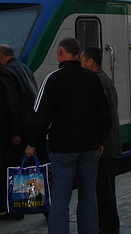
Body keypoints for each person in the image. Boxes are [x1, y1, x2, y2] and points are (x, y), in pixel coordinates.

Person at [26, 38, 111, 234]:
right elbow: (105, 114)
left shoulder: (53, 79)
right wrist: (99, 141)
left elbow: (39, 116)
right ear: (77, 54)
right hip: (89, 147)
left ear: (61, 53)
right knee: (89, 199)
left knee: (60, 201)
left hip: (62, 149)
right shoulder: (92, 79)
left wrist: (32, 143)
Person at [0, 44, 40, 220]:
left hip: (17, 131)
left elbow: (10, 105)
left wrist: (13, 133)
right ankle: (38, 205)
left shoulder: (5, 73)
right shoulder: (24, 69)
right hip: (30, 127)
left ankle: (14, 209)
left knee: (12, 170)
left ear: (0, 55)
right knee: (31, 168)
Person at [80, 47, 121, 234]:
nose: (80, 64)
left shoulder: (96, 81)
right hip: (112, 144)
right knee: (108, 191)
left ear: (90, 62)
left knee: (103, 193)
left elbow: (99, 115)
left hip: (104, 147)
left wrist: (98, 141)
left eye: (82, 60)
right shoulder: (106, 79)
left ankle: (108, 228)